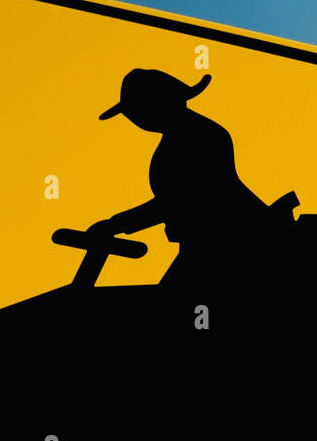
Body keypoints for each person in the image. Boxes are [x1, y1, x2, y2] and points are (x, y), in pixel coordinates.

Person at [89, 69, 272, 288]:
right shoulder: (180, 136)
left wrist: (115, 224)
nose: (134, 120)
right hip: (203, 245)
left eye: (135, 111)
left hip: (232, 244)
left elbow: (180, 200)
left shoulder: (202, 136)